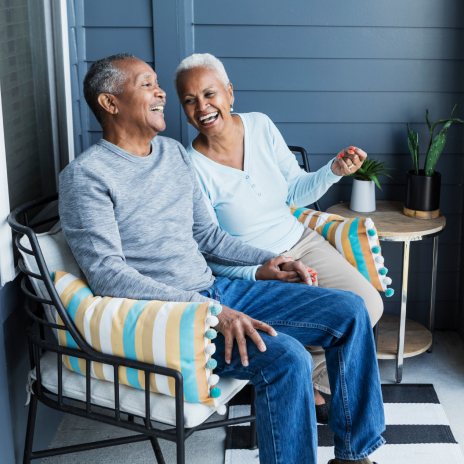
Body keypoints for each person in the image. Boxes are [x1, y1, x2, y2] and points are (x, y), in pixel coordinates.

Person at [59, 53, 385, 464]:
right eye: (146, 84)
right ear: (110, 103)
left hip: (217, 292)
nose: (161, 92)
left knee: (351, 310)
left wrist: (273, 260)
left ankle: (354, 456)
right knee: (288, 360)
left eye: (158, 84)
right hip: (174, 317)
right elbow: (108, 276)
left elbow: (208, 236)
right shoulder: (86, 176)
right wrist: (210, 311)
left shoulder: (173, 155)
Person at [173, 53, 384, 414]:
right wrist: (260, 269)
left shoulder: (260, 125)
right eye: (190, 100)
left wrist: (333, 170)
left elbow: (294, 192)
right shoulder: (189, 165)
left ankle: (310, 375)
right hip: (253, 272)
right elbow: (209, 250)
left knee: (369, 305)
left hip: (299, 241)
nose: (202, 107)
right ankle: (296, 376)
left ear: (230, 92)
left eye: (210, 94)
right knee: (317, 326)